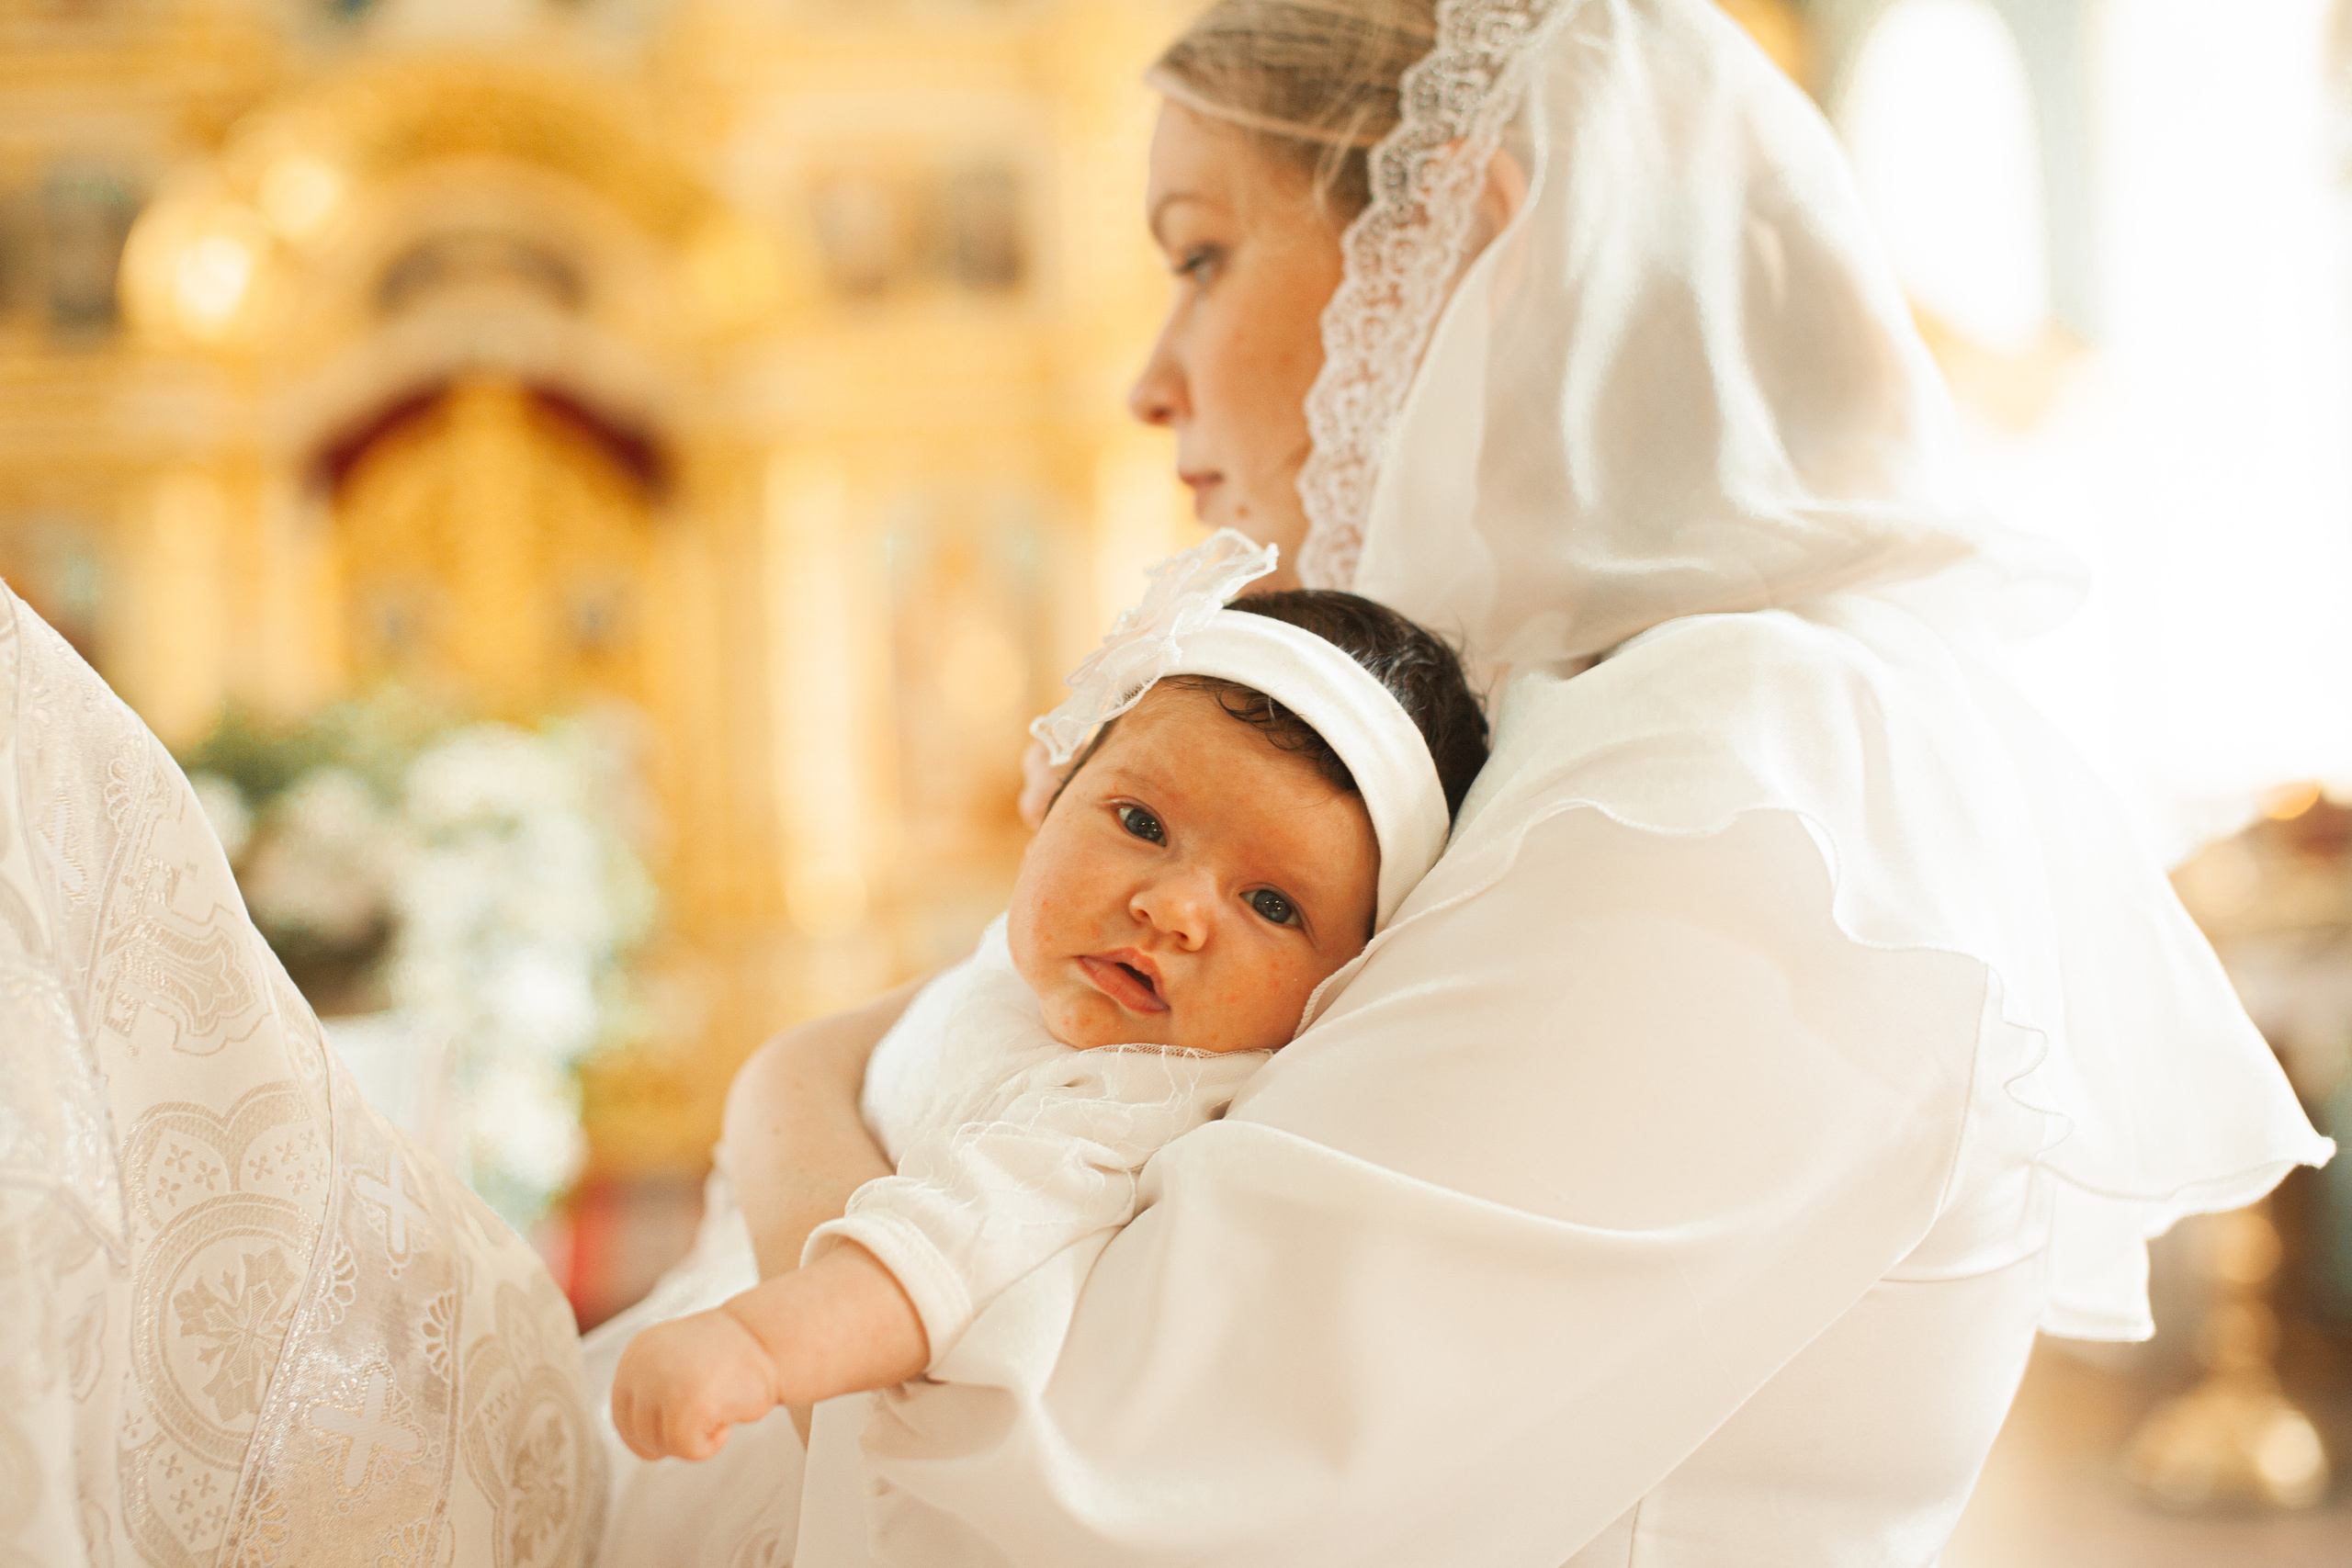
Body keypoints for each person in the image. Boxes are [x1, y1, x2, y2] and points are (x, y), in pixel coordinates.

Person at [673, 2, 2333, 1563]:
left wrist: (790, 1102)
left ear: (1473, 238)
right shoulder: (1572, 717)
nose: (1150, 374)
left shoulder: (1741, 777)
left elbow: (1069, 1476)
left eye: (1198, 254)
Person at [606, 546, 1491, 1465]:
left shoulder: (1129, 1100)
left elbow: (938, 1254)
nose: (1175, 909)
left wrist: (750, 1348)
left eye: (1272, 905)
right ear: (1053, 791)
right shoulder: (1028, 960)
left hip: (769, 1382)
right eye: (1141, 823)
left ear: (1343, 979)